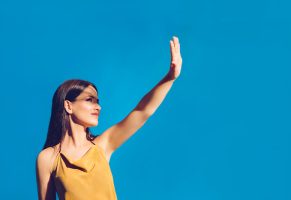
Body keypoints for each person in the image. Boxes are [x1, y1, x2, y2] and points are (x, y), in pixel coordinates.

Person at [36, 36, 182, 200]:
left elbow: (142, 112)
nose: (98, 107)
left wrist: (170, 77)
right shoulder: (48, 158)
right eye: (89, 100)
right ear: (68, 106)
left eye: (98, 102)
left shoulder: (102, 145)